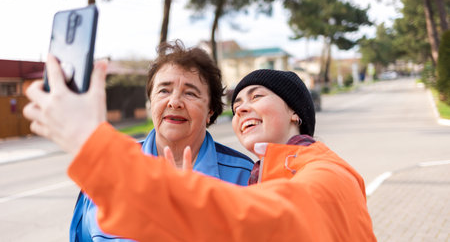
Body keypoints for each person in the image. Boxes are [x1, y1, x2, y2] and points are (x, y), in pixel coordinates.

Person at [24, 60, 377, 241]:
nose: (242, 108)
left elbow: (264, 222)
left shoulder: (327, 172)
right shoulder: (266, 175)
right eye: (237, 103)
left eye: (257, 97)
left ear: (295, 111)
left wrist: (92, 144)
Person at [67, 41, 254, 241]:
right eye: (164, 91)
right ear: (150, 102)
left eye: (190, 93)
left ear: (210, 110)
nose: (174, 102)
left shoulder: (245, 177)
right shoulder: (107, 170)